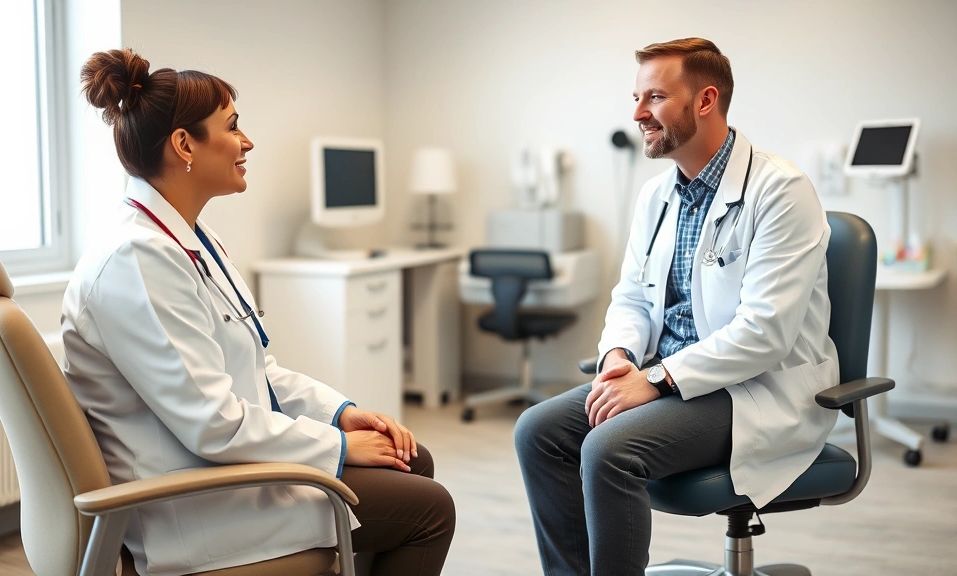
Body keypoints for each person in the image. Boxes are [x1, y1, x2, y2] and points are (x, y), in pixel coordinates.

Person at [62, 49, 454, 576]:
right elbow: (213, 425)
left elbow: (258, 370)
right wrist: (337, 447)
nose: (247, 142)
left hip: (221, 468)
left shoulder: (190, 241)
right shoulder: (137, 258)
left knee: (410, 458)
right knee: (430, 509)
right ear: (185, 145)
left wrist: (340, 414)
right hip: (197, 500)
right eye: (233, 126)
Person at [514, 37, 839, 575]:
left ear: (705, 101)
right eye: (637, 98)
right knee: (538, 432)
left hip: (752, 389)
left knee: (607, 449)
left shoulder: (781, 191)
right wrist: (619, 354)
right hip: (669, 380)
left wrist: (656, 379)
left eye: (655, 98)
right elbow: (633, 297)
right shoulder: (659, 195)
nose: (639, 113)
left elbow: (764, 334)